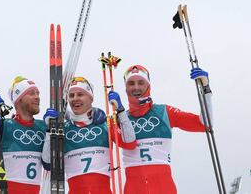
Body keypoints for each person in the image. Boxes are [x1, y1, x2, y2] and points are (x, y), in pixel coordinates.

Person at [108, 65, 213, 194]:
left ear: (148, 85)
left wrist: (205, 89)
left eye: (141, 82)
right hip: (133, 187)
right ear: (126, 88)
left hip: (163, 185)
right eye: (131, 83)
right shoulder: (121, 119)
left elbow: (204, 124)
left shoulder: (164, 112)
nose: (136, 87)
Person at [43, 76, 136, 194]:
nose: (75, 99)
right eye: (71, 95)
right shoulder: (63, 129)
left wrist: (121, 111)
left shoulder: (105, 124)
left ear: (91, 98)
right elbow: (47, 164)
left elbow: (130, 143)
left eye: (80, 94)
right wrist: (49, 130)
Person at [0, 76, 49, 194]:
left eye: (38, 93)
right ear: (19, 99)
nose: (37, 97)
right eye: (31, 93)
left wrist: (51, 129)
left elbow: (49, 165)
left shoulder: (42, 127)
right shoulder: (4, 125)